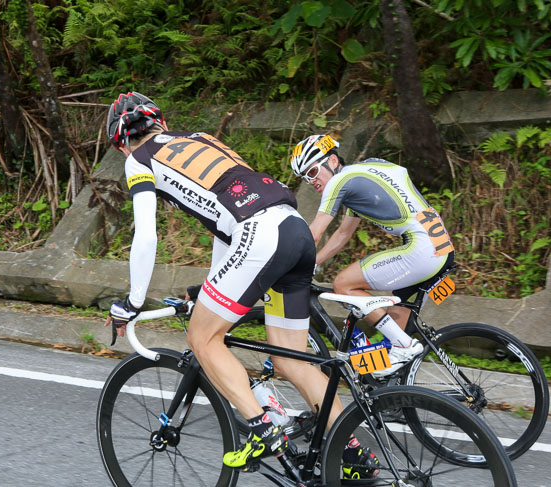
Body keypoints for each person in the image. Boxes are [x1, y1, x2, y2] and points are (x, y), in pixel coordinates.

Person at [103, 93, 379, 477]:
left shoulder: (139, 159)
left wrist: (132, 303)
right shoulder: (200, 137)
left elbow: (146, 236)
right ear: (161, 123)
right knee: (289, 359)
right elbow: (227, 216)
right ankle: (353, 456)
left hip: (259, 236)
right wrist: (211, 287)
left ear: (121, 142)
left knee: (202, 339)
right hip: (294, 229)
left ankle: (262, 426)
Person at [290, 134, 455, 377]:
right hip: (440, 245)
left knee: (344, 284)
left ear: (333, 161)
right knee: (396, 322)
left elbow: (314, 234)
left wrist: (286, 262)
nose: (310, 181)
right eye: (305, 177)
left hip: (422, 249)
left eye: (313, 172)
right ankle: (393, 395)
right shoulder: (368, 170)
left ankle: (405, 346)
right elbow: (343, 234)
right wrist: (313, 262)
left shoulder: (340, 182)